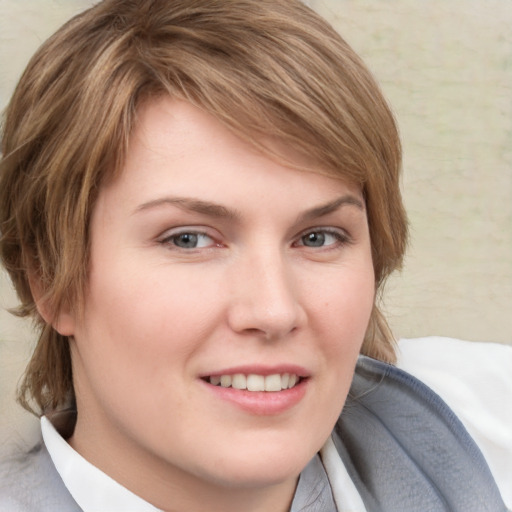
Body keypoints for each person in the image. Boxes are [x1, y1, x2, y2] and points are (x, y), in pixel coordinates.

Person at [0, 0, 508, 511]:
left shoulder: (484, 427)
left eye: (318, 237)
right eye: (189, 239)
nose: (274, 310)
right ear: (48, 278)